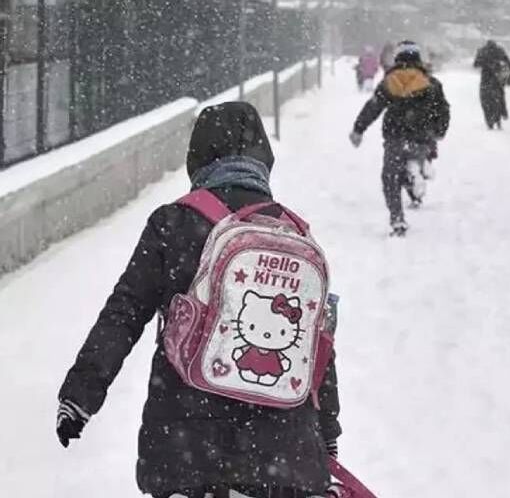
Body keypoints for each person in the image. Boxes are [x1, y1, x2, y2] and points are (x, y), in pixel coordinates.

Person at [55, 102, 342, 498]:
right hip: (285, 454)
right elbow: (317, 344)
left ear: (198, 157)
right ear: (263, 159)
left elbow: (124, 313)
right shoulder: (294, 235)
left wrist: (79, 395)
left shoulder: (173, 223)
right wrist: (326, 433)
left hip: (187, 446)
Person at [349, 41, 451, 237]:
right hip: (422, 137)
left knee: (390, 177)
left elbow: (373, 107)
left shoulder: (390, 81)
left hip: (395, 137)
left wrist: (358, 129)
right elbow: (443, 110)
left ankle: (397, 218)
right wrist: (440, 131)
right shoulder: (431, 83)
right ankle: (419, 171)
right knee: (417, 159)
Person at [474, 40, 510, 130]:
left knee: (486, 100)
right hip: (496, 77)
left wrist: (485, 64)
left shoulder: (483, 51)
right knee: (499, 97)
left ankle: (490, 120)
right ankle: (500, 114)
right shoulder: (499, 51)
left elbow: (476, 64)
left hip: (486, 78)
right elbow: (508, 62)